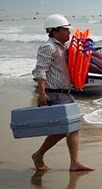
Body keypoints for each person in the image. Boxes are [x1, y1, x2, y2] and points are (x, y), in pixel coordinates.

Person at [31, 14, 94, 172]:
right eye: (65, 30)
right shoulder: (48, 47)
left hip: (65, 93)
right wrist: (41, 93)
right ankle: (38, 155)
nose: (68, 33)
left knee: (73, 127)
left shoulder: (62, 47)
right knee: (63, 129)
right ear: (54, 32)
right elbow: (41, 71)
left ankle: (74, 162)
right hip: (54, 93)